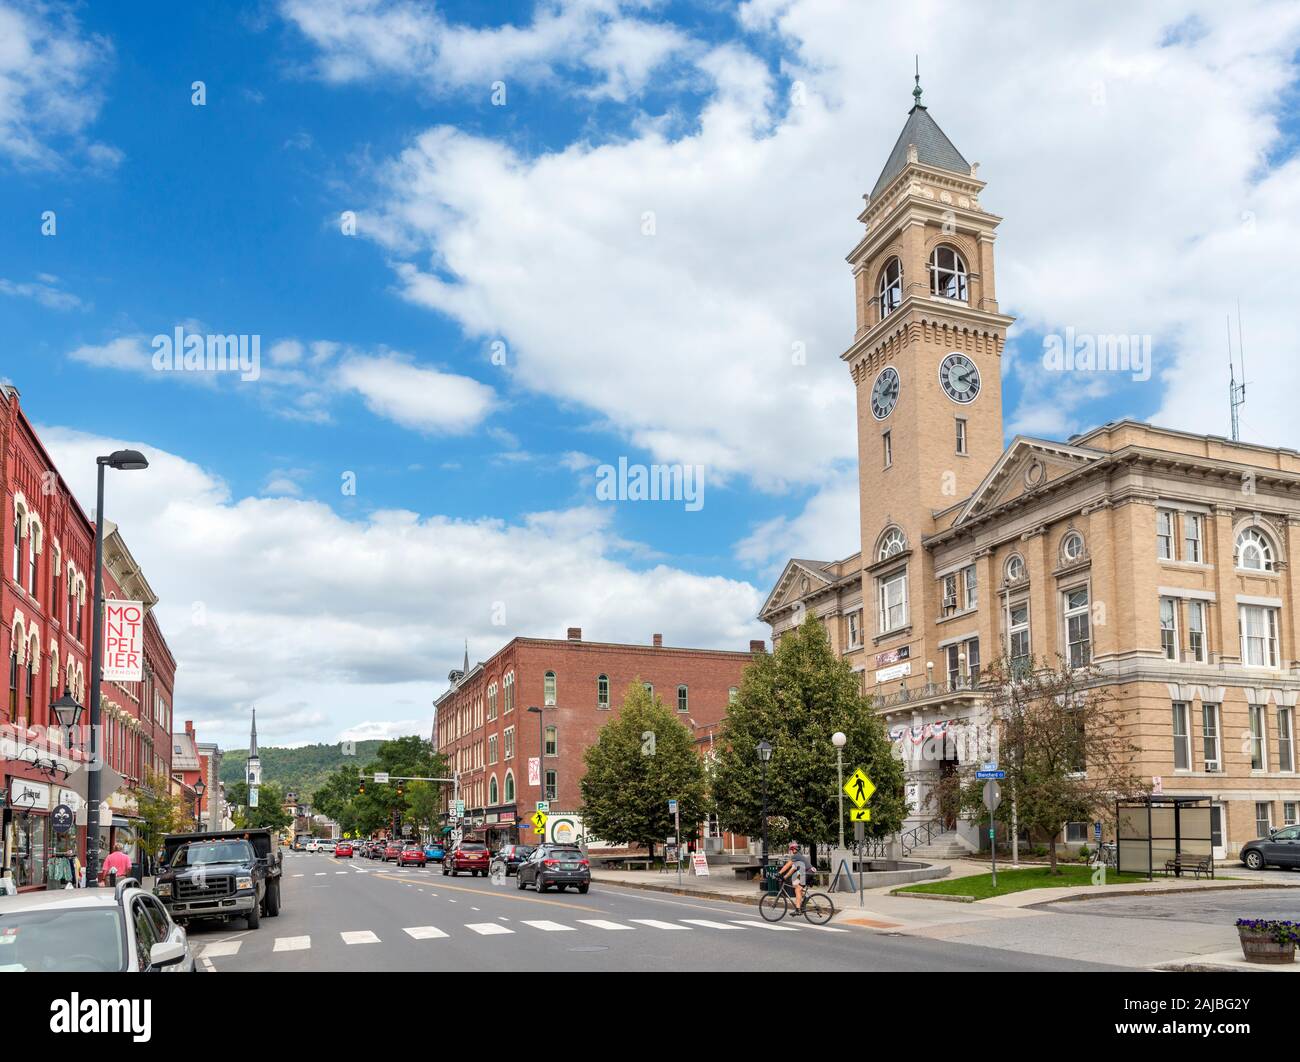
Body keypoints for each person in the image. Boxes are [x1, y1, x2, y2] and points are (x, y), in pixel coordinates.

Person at [777, 842, 811, 910]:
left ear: (796, 849)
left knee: (797, 889)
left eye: (793, 849)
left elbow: (787, 865)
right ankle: (804, 898)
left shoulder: (796, 856)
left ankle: (798, 909)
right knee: (795, 885)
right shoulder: (799, 858)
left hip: (808, 872)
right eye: (791, 850)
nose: (792, 851)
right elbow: (792, 869)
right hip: (808, 872)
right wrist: (784, 877)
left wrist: (779, 873)